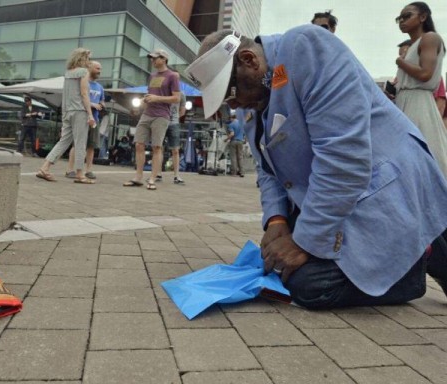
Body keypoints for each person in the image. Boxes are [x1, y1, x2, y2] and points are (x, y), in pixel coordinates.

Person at [184, 27, 447, 309]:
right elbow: (266, 169)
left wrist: (303, 243)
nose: (233, 104)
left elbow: (344, 158)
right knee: (279, 266)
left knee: (309, 285)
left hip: (386, 182)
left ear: (250, 60)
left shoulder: (307, 50)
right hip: (339, 191)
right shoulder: (252, 98)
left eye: (230, 93)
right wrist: (277, 220)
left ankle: (413, 266)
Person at [395, 1, 447, 176]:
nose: (402, 21)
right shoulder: (414, 44)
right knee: (408, 153)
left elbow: (425, 74)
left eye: (407, 15)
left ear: (423, 17)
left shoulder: (430, 38)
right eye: (399, 18)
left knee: (423, 152)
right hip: (407, 100)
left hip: (418, 102)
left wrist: (400, 62)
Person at [122, 49, 180, 190]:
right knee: (138, 144)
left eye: (155, 58)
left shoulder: (173, 76)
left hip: (162, 115)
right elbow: (151, 94)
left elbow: (176, 98)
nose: (152, 61)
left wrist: (157, 98)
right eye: (151, 58)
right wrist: (143, 101)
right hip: (147, 113)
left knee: (156, 147)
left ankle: (153, 178)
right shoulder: (152, 75)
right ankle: (138, 177)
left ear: (164, 59)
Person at [36, 48, 96, 184]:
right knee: (80, 143)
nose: (89, 61)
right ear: (83, 58)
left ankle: (44, 168)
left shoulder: (68, 73)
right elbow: (84, 93)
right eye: (88, 58)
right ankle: (80, 174)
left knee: (64, 141)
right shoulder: (83, 72)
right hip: (79, 111)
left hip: (67, 111)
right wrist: (90, 114)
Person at [65, 61, 105, 180]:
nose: (99, 71)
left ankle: (89, 170)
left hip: (95, 119)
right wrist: (92, 104)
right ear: (90, 67)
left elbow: (102, 100)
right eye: (97, 68)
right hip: (81, 118)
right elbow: (79, 98)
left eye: (100, 69)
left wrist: (101, 104)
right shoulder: (83, 82)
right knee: (77, 144)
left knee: (91, 145)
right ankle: (70, 169)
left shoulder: (100, 87)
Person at [155, 87, 186, 184]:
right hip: (161, 122)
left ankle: (176, 176)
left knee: (175, 150)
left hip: (174, 124)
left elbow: (182, 111)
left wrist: (174, 117)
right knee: (158, 148)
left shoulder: (181, 94)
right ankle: (158, 174)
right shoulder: (162, 92)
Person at [224, 110, 246, 177]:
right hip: (240, 141)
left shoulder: (231, 124)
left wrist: (226, 139)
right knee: (240, 157)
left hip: (233, 141)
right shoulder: (242, 124)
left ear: (231, 118)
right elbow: (245, 134)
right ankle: (242, 172)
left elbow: (232, 134)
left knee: (233, 157)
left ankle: (234, 172)